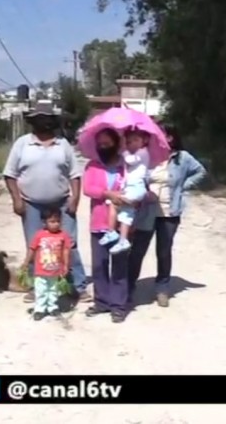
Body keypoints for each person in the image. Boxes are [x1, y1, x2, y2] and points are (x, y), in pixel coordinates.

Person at [2, 102, 90, 304]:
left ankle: (77, 286)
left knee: (69, 244)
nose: (44, 122)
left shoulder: (63, 144)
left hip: (61, 203)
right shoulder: (22, 144)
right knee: (36, 245)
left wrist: (75, 198)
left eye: (47, 118)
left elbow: (75, 174)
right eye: (39, 118)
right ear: (33, 121)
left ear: (53, 121)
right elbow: (10, 174)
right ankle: (37, 286)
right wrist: (16, 199)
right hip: (31, 204)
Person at [128, 124, 206, 308]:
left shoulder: (182, 157)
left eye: (161, 134)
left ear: (170, 137)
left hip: (170, 212)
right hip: (146, 210)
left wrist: (182, 187)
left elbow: (200, 171)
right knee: (137, 250)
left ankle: (162, 288)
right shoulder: (146, 155)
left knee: (164, 252)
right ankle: (128, 286)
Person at [82, 128, 133, 322]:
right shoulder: (92, 165)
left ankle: (118, 306)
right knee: (99, 265)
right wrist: (107, 193)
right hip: (98, 223)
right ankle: (101, 302)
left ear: (116, 143)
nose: (103, 147)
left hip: (121, 225)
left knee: (119, 266)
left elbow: (138, 187)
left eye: (107, 143)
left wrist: (127, 197)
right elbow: (88, 189)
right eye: (100, 144)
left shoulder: (127, 166)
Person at [98, 128, 151, 254]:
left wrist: (124, 150)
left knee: (114, 203)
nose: (132, 143)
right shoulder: (136, 154)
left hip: (136, 187)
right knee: (125, 214)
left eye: (136, 140)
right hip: (131, 187)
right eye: (129, 142)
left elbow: (129, 160)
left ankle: (112, 232)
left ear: (144, 141)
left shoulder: (143, 152)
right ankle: (122, 239)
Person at [22, 208, 71, 321]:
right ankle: (40, 309)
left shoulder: (63, 235)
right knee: (41, 290)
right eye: (52, 222)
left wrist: (66, 265)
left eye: (58, 221)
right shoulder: (39, 235)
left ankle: (52, 307)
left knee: (54, 290)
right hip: (41, 271)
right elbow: (32, 249)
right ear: (44, 222)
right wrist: (26, 262)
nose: (55, 224)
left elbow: (66, 251)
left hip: (55, 270)